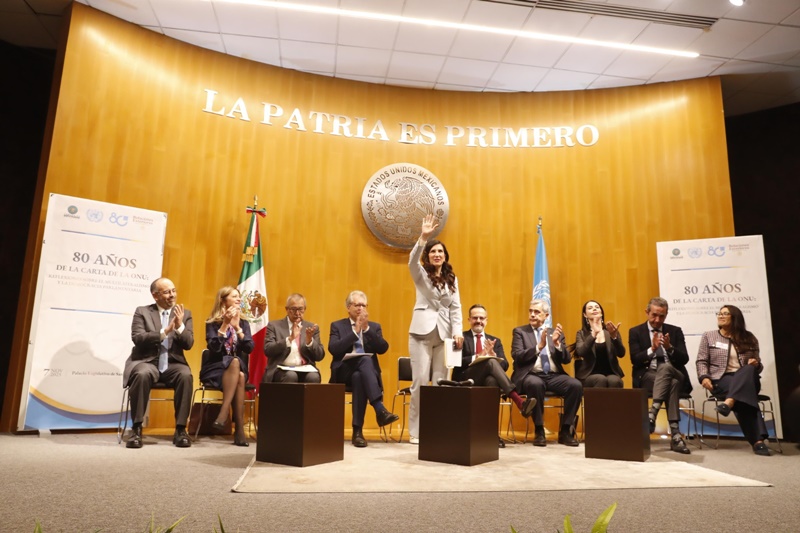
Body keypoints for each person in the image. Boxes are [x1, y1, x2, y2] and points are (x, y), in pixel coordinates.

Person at [407, 214, 463, 445]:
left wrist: (457, 331)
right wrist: (423, 238)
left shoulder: (452, 278)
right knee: (420, 382)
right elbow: (412, 262)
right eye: (433, 252)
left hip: (444, 336)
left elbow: (456, 307)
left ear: (445, 256)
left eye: (440, 251)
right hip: (421, 334)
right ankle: (416, 432)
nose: (437, 254)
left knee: (441, 383)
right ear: (428, 256)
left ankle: (438, 429)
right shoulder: (420, 274)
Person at [122, 277, 194, 449]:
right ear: (155, 296)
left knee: (185, 375)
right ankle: (137, 429)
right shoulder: (142, 312)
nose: (172, 295)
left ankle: (181, 430)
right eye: (167, 292)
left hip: (173, 363)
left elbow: (189, 344)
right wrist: (164, 332)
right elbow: (138, 338)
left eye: (174, 291)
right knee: (141, 374)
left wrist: (179, 327)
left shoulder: (184, 314)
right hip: (147, 361)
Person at [454, 304, 537, 448]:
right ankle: (518, 400)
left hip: (486, 379)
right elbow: (455, 363)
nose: (478, 321)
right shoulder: (461, 338)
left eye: (482, 318)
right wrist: (478, 356)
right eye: (475, 318)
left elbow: (505, 365)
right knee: (491, 362)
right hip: (465, 378)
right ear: (469, 320)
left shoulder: (495, 340)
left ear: (486, 320)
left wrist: (493, 355)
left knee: (492, 380)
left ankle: (490, 434)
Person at [328, 290, 400, 448]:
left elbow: (383, 348)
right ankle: (379, 408)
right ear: (348, 307)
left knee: (359, 377)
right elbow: (334, 349)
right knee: (365, 360)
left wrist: (366, 329)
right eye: (357, 305)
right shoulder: (337, 326)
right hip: (343, 372)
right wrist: (355, 332)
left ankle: (357, 432)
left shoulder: (374, 327)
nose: (361, 308)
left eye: (364, 305)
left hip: (364, 376)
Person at [696, 304, 771, 456]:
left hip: (748, 379)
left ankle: (729, 402)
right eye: (719, 313)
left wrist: (756, 364)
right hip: (721, 379)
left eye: (725, 314)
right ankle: (758, 441)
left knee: (748, 370)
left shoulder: (749, 338)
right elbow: (701, 361)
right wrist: (704, 377)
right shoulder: (709, 336)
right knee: (744, 397)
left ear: (735, 318)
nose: (720, 316)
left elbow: (758, 365)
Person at [511, 299, 582, 446]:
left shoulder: (554, 333)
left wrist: (557, 344)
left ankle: (565, 430)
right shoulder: (520, 332)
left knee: (575, 385)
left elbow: (566, 360)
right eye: (531, 311)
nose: (532, 314)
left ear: (546, 315)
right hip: (531, 375)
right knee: (535, 384)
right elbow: (517, 356)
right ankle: (539, 430)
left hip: (554, 376)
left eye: (537, 312)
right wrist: (538, 347)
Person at [629, 297, 692, 454]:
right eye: (654, 315)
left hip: (676, 373)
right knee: (671, 383)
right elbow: (635, 360)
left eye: (661, 316)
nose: (657, 320)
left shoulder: (675, 331)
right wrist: (652, 349)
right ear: (647, 312)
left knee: (666, 368)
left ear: (666, 315)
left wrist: (669, 348)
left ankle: (653, 414)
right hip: (649, 376)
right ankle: (676, 435)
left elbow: (684, 359)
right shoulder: (636, 332)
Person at [201, 286, 253, 447]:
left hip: (236, 368)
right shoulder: (212, 323)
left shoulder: (243, 322)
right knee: (239, 374)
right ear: (223, 300)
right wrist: (224, 325)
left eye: (239, 296)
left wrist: (237, 328)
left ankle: (224, 414)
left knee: (237, 366)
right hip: (215, 368)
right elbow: (214, 348)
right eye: (234, 296)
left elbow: (249, 348)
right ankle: (238, 430)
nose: (239, 299)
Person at [263, 294, 325, 383]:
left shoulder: (311, 328)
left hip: (305, 368)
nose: (297, 313)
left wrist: (310, 342)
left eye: (300, 309)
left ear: (305, 309)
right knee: (291, 375)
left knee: (313, 377)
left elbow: (320, 356)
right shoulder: (274, 326)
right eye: (293, 309)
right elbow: (268, 350)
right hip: (281, 369)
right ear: (287, 309)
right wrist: (290, 339)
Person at [574, 300, 625, 388]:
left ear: (601, 312)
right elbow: (581, 352)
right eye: (590, 308)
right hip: (589, 374)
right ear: (585, 315)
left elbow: (621, 353)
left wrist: (614, 337)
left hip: (611, 373)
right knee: (600, 379)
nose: (594, 309)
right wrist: (593, 334)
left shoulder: (611, 331)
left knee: (615, 381)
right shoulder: (581, 334)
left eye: (597, 307)